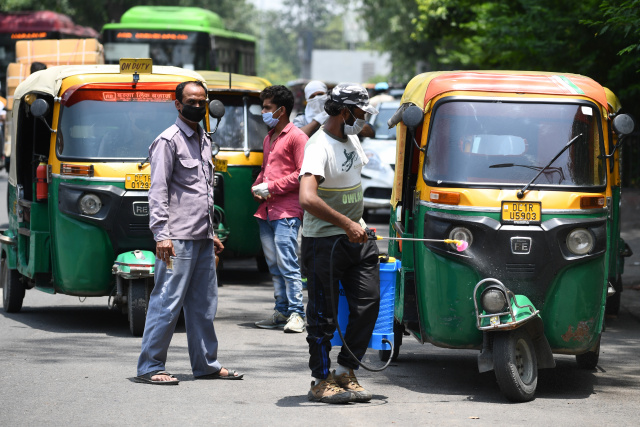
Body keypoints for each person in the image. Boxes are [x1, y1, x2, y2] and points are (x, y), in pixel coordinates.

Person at [135, 80, 243, 385]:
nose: (197, 106)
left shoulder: (203, 138)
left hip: (202, 238)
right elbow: (158, 192)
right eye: (191, 101)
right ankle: (150, 366)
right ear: (178, 104)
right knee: (167, 301)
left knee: (203, 306)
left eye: (201, 101)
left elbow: (201, 191)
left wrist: (211, 232)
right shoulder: (167, 141)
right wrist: (161, 235)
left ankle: (206, 364)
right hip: (176, 240)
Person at [298, 83, 380, 404]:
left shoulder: (353, 139)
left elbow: (351, 186)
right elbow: (307, 197)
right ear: (344, 111)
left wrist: (357, 222)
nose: (363, 119)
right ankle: (321, 379)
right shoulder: (318, 146)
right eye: (360, 113)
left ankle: (347, 371)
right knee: (322, 316)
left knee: (368, 303)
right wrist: (345, 223)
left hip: (357, 239)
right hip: (324, 243)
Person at [252, 85, 308, 333]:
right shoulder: (269, 137)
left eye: (267, 107)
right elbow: (266, 170)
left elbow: (302, 174)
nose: (263, 111)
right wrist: (257, 186)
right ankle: (282, 311)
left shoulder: (297, 137)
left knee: (288, 264)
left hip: (286, 212)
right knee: (274, 265)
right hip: (266, 211)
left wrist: (271, 187)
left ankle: (297, 313)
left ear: (281, 110)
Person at [293, 80, 375, 139]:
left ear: (326, 94)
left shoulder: (339, 114)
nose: (317, 98)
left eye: (320, 94)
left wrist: (339, 123)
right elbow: (296, 137)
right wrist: (316, 121)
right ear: (307, 99)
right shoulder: (301, 119)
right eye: (312, 96)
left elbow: (370, 132)